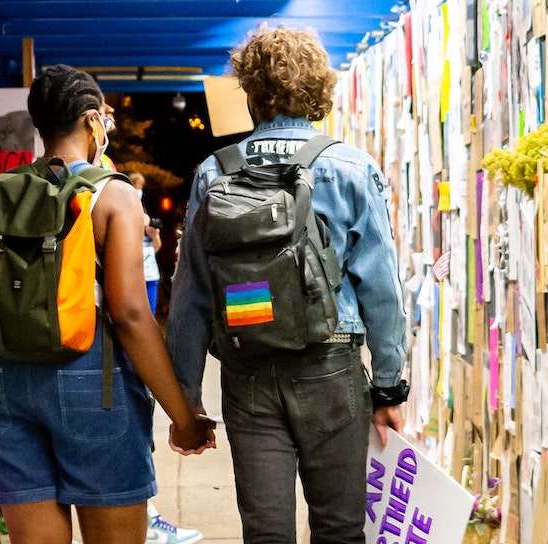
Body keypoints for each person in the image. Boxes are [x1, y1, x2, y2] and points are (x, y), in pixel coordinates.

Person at [0, 64, 215, 544]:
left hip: (0, 390)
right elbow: (131, 316)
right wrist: (182, 416)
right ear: (92, 121)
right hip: (92, 386)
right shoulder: (113, 197)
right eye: (107, 121)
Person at [167, 26, 410, 543]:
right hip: (331, 367)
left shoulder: (215, 172)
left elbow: (192, 293)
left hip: (247, 369)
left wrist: (185, 400)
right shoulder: (350, 166)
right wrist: (389, 383)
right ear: (319, 91)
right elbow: (381, 288)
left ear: (251, 92)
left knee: (266, 532)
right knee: (340, 529)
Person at [124, 171, 164, 315]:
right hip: (132, 274)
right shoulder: (122, 212)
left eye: (140, 187)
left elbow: (156, 247)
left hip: (151, 273)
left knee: (150, 313)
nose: (138, 190)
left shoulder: (145, 212)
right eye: (136, 186)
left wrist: (154, 236)